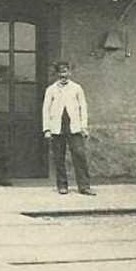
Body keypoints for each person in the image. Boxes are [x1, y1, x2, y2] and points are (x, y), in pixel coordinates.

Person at [41, 61, 93, 196]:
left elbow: (83, 108)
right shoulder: (51, 89)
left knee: (79, 155)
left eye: (65, 71)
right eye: (60, 72)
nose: (63, 75)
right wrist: (47, 129)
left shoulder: (77, 88)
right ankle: (62, 185)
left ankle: (84, 186)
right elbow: (45, 110)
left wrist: (84, 126)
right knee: (59, 157)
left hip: (74, 127)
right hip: (57, 128)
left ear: (69, 72)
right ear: (57, 73)